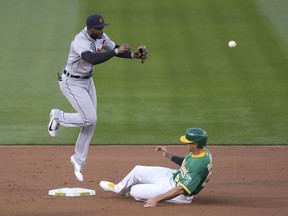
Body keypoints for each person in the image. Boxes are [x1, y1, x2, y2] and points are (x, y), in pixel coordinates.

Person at [48, 13, 147, 182]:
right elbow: (91, 58)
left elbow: (114, 49)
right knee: (89, 118)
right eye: (98, 28)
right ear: (89, 28)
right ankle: (57, 116)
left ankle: (78, 160)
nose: (102, 30)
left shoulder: (100, 36)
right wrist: (116, 51)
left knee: (91, 122)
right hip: (72, 82)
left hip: (87, 82)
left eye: (103, 28)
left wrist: (133, 55)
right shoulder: (80, 40)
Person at [100, 128, 213, 207]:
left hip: (179, 193)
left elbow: (181, 189)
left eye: (188, 142)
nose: (185, 144)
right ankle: (119, 190)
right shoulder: (201, 152)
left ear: (195, 145)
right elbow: (187, 163)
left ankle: (135, 191)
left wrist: (156, 199)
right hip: (173, 176)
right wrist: (168, 156)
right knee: (137, 169)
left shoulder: (200, 165)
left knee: (134, 191)